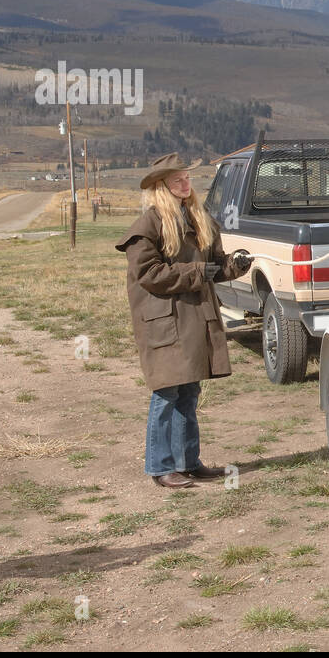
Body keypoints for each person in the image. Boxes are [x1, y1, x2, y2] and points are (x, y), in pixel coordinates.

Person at [116, 153, 253, 488]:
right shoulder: (148, 226)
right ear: (161, 187)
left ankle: (188, 462)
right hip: (164, 322)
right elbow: (149, 274)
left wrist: (234, 265)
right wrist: (196, 272)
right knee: (166, 395)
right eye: (178, 180)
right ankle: (160, 467)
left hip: (193, 319)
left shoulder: (197, 217)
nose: (186, 184)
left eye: (187, 178)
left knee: (190, 392)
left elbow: (214, 263)